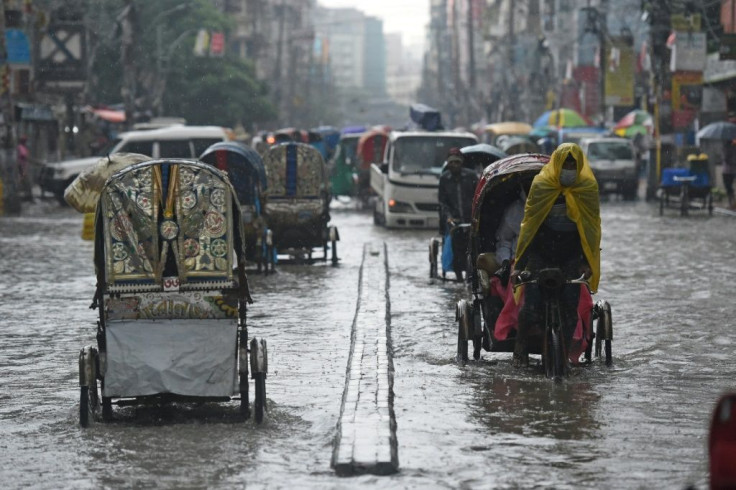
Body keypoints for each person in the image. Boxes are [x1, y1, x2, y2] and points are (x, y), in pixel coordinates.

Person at [512, 143, 601, 368]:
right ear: (558, 164)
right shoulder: (541, 186)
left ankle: (563, 350)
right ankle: (520, 349)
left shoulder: (587, 188)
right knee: (530, 307)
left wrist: (586, 262)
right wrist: (520, 265)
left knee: (571, 309)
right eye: (566, 163)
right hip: (540, 253)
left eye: (573, 164)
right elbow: (529, 227)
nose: (569, 168)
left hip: (571, 256)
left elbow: (590, 230)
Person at [438, 147, 478, 281]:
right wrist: (448, 216)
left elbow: (477, 198)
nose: (454, 165)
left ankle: (470, 274)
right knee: (456, 249)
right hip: (453, 221)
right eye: (451, 163)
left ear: (461, 162)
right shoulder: (444, 179)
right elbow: (442, 202)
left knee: (472, 248)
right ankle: (459, 276)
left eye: (457, 162)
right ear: (447, 164)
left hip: (470, 219)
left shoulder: (471, 176)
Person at [16, 134, 34, 203]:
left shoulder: (23, 147)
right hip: (21, 167)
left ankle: (27, 197)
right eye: (24, 141)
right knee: (25, 182)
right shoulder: (20, 147)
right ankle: (28, 197)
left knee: (24, 182)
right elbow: (24, 156)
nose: (25, 142)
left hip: (24, 167)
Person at [723, 140, 736, 210]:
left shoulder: (728, 149)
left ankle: (732, 203)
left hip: (727, 171)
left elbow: (726, 158)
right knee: (730, 188)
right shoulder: (733, 148)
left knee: (729, 188)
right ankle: (732, 203)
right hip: (731, 170)